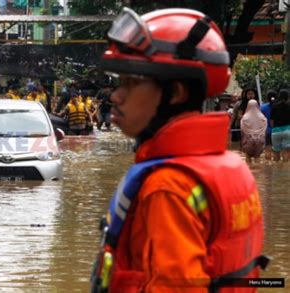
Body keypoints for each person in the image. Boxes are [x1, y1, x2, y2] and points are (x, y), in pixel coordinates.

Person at [90, 7, 268, 292]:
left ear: (175, 93)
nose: (115, 95)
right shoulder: (231, 166)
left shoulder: (168, 186)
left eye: (130, 83)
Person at [270, 89, 290, 162]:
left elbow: (271, 120)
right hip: (287, 131)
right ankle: (284, 171)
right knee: (286, 151)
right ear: (288, 96)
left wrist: (274, 129)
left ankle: (276, 170)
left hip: (276, 131)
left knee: (276, 151)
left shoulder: (274, 106)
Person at [260, 90, 277, 160]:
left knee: (268, 149)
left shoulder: (262, 107)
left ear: (267, 98)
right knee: (279, 151)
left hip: (267, 131)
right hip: (278, 130)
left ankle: (268, 166)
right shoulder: (280, 107)